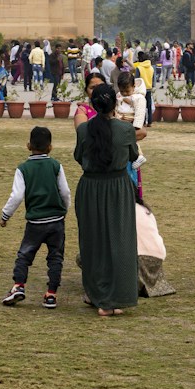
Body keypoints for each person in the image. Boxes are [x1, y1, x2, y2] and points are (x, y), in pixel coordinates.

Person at [73, 84, 140, 317]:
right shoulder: (125, 129)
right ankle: (117, 297)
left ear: (93, 106)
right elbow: (133, 156)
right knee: (121, 241)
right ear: (115, 104)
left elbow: (78, 157)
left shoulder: (83, 130)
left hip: (91, 187)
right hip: (118, 188)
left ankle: (99, 296)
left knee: (93, 243)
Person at [0, 125, 71, 309]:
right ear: (50, 147)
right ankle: (51, 294)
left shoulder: (24, 168)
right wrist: (65, 209)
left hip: (35, 223)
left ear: (28, 145)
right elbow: (65, 192)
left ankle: (18, 286)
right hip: (56, 221)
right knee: (55, 258)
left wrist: (5, 215)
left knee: (24, 255)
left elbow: (16, 196)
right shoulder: (56, 165)